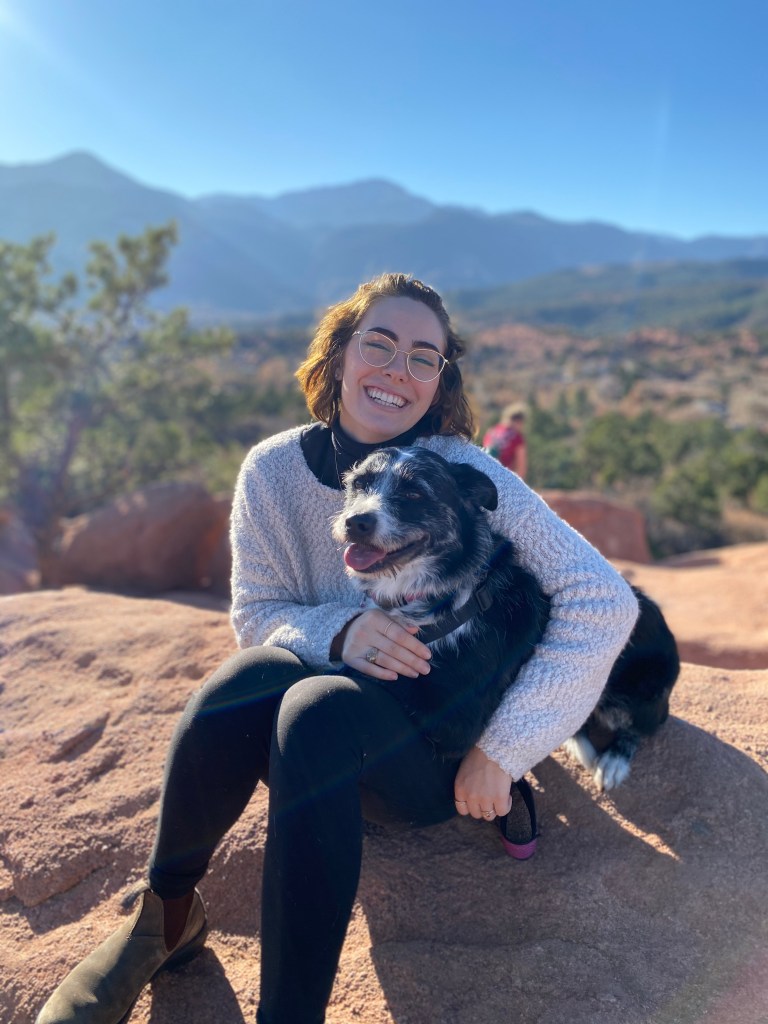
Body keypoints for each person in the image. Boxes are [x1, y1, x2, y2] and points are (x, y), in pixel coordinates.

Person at [37, 273, 639, 1024]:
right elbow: (258, 613)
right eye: (379, 344)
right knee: (254, 676)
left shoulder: (464, 470)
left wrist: (506, 748)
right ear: (340, 353)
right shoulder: (272, 471)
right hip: (313, 745)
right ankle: (164, 918)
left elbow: (602, 600)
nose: (396, 370)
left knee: (316, 707)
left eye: (423, 358)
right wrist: (339, 631)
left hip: (430, 757)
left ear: (440, 381)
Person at [482, 402, 528, 478]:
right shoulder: (516, 437)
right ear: (519, 421)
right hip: (503, 477)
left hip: (485, 474)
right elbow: (521, 466)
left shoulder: (491, 431)